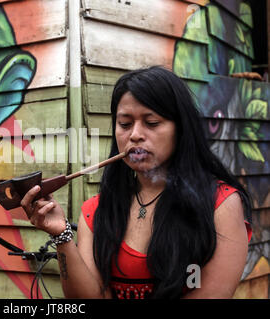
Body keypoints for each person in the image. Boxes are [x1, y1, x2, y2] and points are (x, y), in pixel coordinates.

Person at [20, 66, 253, 299]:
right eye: (124, 124)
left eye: (151, 123)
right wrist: (62, 236)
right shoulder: (96, 210)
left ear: (181, 129)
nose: (135, 135)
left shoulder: (221, 204)